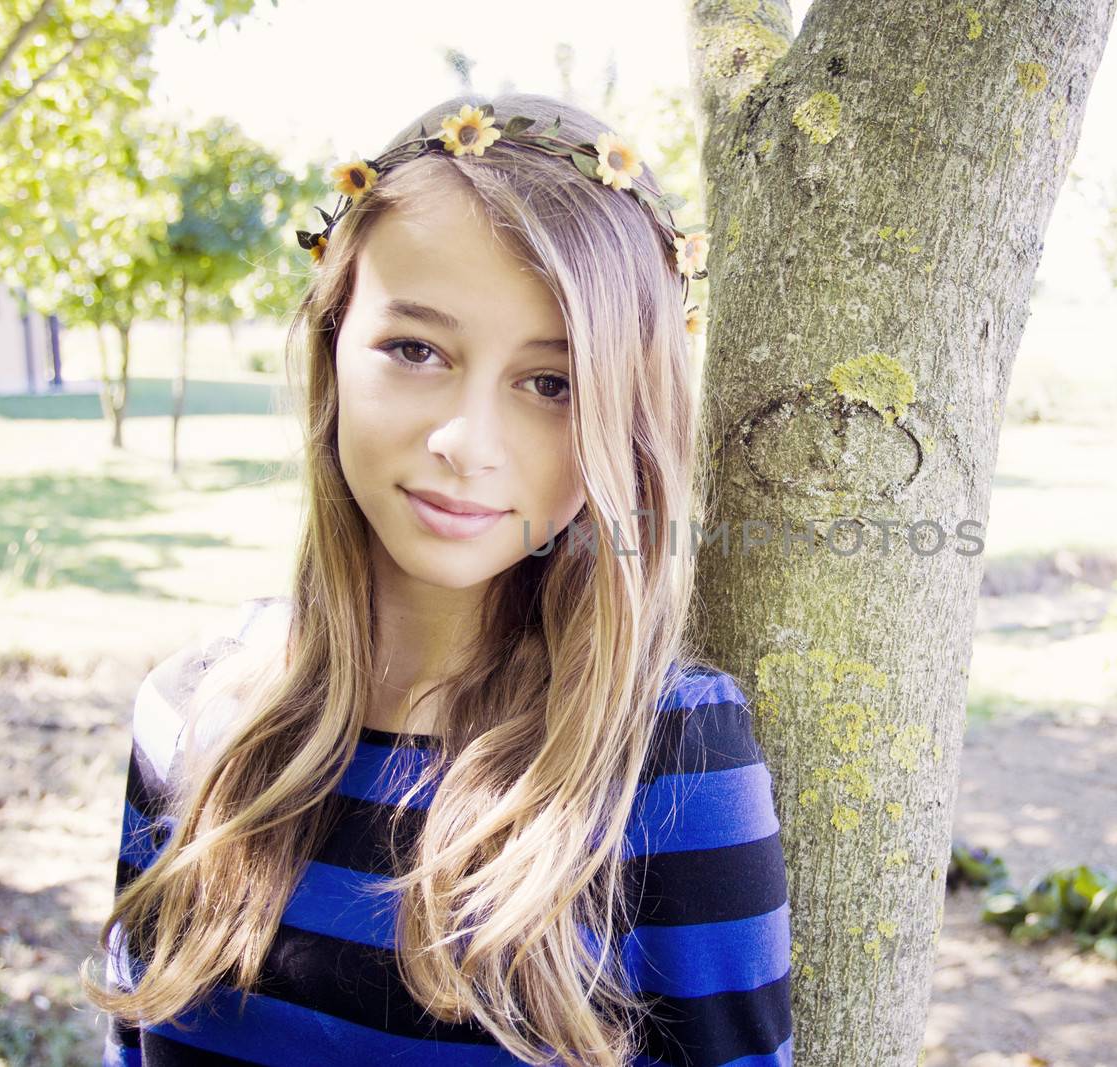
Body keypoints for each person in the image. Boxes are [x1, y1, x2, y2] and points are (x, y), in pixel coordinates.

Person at [82, 92, 793, 1067]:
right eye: (414, 349)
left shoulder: (667, 758)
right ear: (334, 342)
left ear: (624, 418)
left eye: (553, 383)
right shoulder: (187, 706)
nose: (464, 442)